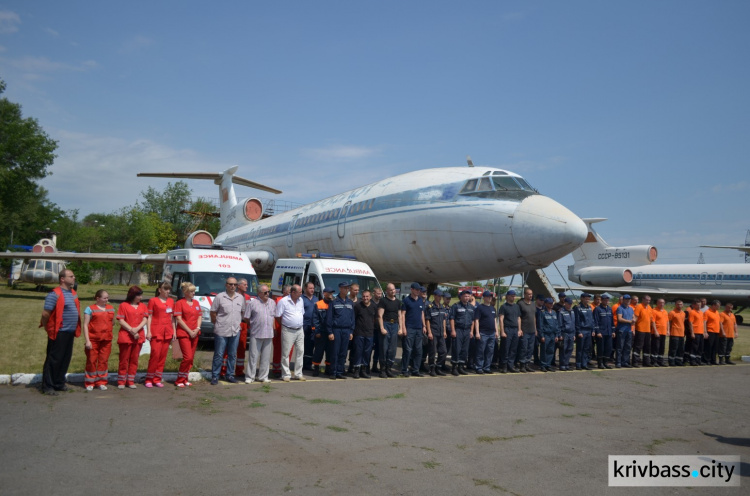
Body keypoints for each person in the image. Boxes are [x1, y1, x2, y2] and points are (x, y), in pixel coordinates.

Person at [40, 269, 81, 395]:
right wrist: (47, 327)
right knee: (54, 359)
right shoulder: (54, 294)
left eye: (73, 276)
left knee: (65, 358)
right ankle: (48, 386)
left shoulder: (73, 293)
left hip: (70, 331)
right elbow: (45, 313)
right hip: (59, 332)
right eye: (71, 276)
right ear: (62, 279)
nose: (74, 278)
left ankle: (59, 382)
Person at [209, 277, 246, 385]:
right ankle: (215, 376)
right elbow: (213, 312)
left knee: (232, 354)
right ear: (226, 285)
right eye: (230, 284)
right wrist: (217, 323)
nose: (232, 286)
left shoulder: (240, 298)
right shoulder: (220, 297)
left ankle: (229, 375)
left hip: (235, 330)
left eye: (234, 284)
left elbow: (243, 312)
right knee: (219, 354)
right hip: (221, 330)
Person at [116, 285, 148, 389]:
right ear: (133, 295)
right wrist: (131, 330)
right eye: (139, 295)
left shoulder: (143, 306)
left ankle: (130, 380)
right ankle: (121, 381)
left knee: (134, 359)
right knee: (124, 359)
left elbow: (145, 319)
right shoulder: (123, 305)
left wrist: (137, 329)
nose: (141, 298)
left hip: (138, 336)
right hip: (126, 336)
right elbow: (121, 320)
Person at [82, 289, 114, 391]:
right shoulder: (90, 309)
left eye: (107, 298)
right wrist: (88, 341)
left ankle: (101, 382)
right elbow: (85, 325)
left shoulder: (111, 309)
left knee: (103, 361)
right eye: (104, 298)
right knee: (91, 360)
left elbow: (112, 322)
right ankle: (89, 382)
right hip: (93, 339)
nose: (106, 300)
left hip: (106, 339)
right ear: (98, 298)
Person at [145, 281, 176, 388]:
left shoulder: (171, 301)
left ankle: (157, 378)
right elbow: (149, 316)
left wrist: (174, 331)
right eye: (165, 289)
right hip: (156, 330)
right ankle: (149, 378)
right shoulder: (153, 301)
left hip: (167, 331)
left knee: (162, 356)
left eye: (169, 289)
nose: (168, 291)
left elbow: (172, 318)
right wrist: (148, 331)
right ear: (159, 290)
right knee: (155, 355)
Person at [244, 284, 276, 384]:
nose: (267, 294)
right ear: (259, 293)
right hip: (256, 333)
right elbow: (246, 317)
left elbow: (273, 317)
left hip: (268, 333)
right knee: (253, 356)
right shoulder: (252, 303)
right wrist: (254, 325)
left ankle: (263, 376)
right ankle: (250, 377)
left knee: (266, 357)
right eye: (265, 292)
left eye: (268, 292)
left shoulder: (272, 302)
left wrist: (273, 328)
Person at [276, 284, 306, 382]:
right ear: (293, 292)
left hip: (299, 330)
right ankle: (286, 374)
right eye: (300, 292)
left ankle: (298, 374)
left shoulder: (301, 300)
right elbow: (277, 316)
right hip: (288, 330)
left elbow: (302, 313)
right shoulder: (283, 301)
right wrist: (285, 325)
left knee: (300, 351)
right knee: (286, 352)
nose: (301, 294)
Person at [174, 282, 202, 387]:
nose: (193, 293)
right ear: (185, 292)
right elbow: (179, 319)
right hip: (184, 333)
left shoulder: (196, 303)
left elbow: (199, 316)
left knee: (191, 358)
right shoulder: (180, 303)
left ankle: (185, 378)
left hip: (195, 333)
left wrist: (197, 328)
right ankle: (179, 379)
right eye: (191, 291)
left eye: (194, 291)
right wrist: (189, 331)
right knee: (187, 357)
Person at [327, 282, 355, 379]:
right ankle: (333, 372)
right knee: (335, 352)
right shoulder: (334, 302)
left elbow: (352, 318)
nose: (347, 290)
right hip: (336, 330)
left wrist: (351, 331)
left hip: (346, 330)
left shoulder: (350, 302)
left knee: (343, 352)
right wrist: (330, 332)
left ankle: (339, 371)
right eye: (345, 288)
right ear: (340, 289)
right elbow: (329, 318)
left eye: (348, 288)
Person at [400, 282, 427, 377]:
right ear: (411, 289)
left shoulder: (420, 300)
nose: (418, 291)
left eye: (419, 290)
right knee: (408, 350)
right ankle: (404, 369)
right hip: (409, 328)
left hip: (419, 328)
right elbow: (402, 315)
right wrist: (403, 328)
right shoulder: (406, 300)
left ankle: (416, 369)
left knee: (419, 350)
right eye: (416, 289)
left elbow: (422, 314)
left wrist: (424, 326)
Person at [377, 283, 403, 378]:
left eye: (394, 289)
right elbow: (380, 315)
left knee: (392, 349)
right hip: (386, 324)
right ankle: (382, 370)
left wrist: (400, 328)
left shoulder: (398, 302)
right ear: (387, 291)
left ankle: (389, 369)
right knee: (384, 348)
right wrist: (382, 328)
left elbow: (400, 316)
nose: (393, 291)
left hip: (395, 325)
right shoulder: (383, 301)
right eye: (391, 290)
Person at [449, 289, 475, 376]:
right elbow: (452, 318)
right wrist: (453, 330)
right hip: (458, 329)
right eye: (465, 296)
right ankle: (454, 368)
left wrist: (471, 331)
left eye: (468, 296)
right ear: (461, 297)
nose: (467, 298)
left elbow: (473, 320)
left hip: (467, 330)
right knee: (457, 348)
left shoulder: (471, 307)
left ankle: (461, 367)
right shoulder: (456, 306)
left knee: (464, 349)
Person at [473, 290, 499, 374]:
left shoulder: (492, 308)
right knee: (481, 350)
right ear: (484, 298)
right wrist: (477, 332)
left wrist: (496, 331)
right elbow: (476, 320)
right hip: (483, 332)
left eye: (491, 297)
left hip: (492, 333)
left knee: (490, 351)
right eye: (488, 297)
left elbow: (494, 320)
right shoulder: (480, 308)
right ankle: (479, 367)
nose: (490, 298)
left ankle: (487, 367)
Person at [352, 290, 376, 378]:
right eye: (364, 296)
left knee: (367, 352)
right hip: (359, 333)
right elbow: (353, 319)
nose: (365, 298)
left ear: (370, 297)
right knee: (358, 352)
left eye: (367, 296)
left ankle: (364, 370)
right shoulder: (358, 306)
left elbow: (376, 319)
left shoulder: (374, 307)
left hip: (369, 333)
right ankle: (356, 370)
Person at [312, 287, 335, 377]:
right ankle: (316, 368)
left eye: (332, 293)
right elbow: (315, 319)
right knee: (319, 351)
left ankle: (328, 368)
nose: (330, 295)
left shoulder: (334, 303)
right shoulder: (318, 304)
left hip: (330, 332)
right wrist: (316, 331)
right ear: (324, 293)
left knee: (330, 351)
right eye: (329, 293)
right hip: (321, 332)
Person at [498, 290, 522, 373]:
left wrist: (519, 329)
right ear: (507, 296)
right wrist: (502, 331)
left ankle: (510, 365)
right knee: (505, 348)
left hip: (515, 329)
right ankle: (503, 365)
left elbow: (519, 318)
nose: (513, 297)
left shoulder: (516, 306)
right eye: (512, 296)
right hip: (507, 329)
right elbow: (501, 319)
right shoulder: (504, 306)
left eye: (514, 295)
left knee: (513, 349)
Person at [425, 290, 447, 376]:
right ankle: (432, 368)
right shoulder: (430, 307)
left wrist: (445, 331)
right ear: (434, 296)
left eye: (441, 296)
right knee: (433, 351)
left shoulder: (442, 307)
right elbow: (427, 320)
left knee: (443, 351)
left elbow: (444, 320)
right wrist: (429, 332)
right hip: (433, 332)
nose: (440, 297)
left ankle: (438, 367)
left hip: (441, 332)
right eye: (438, 296)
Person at [271, 285, 291, 378]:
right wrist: (274, 328)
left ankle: (285, 368)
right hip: (279, 328)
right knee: (278, 349)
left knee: (288, 350)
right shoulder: (277, 300)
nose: (291, 293)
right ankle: (276, 369)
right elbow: (273, 316)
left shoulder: (293, 301)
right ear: (284, 292)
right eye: (290, 292)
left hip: (289, 329)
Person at [517, 288, 537, 372]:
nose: (530, 295)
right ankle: (522, 365)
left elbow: (534, 317)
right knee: (523, 348)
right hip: (524, 330)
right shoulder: (520, 304)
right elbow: (519, 317)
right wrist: (519, 329)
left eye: (531, 294)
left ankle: (527, 364)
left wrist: (535, 329)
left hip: (532, 330)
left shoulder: (533, 304)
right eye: (529, 294)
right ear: (525, 294)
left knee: (530, 348)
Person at [574, 293, 595, 370]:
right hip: (582, 330)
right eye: (586, 298)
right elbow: (577, 321)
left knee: (586, 348)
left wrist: (593, 330)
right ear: (582, 298)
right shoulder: (577, 308)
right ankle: (578, 364)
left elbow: (592, 320)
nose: (587, 300)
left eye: (589, 299)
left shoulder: (589, 307)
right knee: (580, 348)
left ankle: (584, 363)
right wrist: (578, 331)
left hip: (589, 330)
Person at [537, 297, 559, 372]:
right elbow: (540, 325)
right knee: (544, 351)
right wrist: (541, 336)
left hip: (552, 334)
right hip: (546, 334)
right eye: (549, 303)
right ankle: (543, 365)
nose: (551, 304)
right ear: (546, 304)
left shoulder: (554, 312)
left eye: (552, 303)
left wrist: (556, 335)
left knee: (551, 351)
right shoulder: (542, 312)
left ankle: (548, 365)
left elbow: (556, 324)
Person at [593, 293, 614, 369]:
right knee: (601, 348)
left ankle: (606, 362)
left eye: (607, 300)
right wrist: (597, 332)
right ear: (601, 300)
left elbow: (612, 321)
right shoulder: (597, 309)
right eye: (605, 300)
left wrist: (613, 331)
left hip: (608, 332)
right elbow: (596, 321)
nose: (606, 301)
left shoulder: (609, 309)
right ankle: (600, 363)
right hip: (601, 333)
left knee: (608, 348)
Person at [632, 295, 654, 367]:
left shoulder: (650, 307)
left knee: (647, 346)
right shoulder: (639, 306)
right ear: (643, 299)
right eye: (646, 300)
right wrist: (633, 328)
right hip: (640, 329)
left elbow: (651, 319)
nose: (648, 302)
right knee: (638, 346)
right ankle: (635, 361)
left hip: (647, 330)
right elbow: (635, 318)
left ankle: (646, 362)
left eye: (649, 300)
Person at [301, 282, 318, 372]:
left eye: (313, 288)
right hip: (304, 325)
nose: (312, 290)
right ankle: (301, 364)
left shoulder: (316, 299)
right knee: (303, 346)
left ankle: (308, 364)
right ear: (305, 289)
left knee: (311, 345)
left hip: (313, 326)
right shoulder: (301, 299)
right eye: (310, 288)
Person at [557, 297, 576, 371]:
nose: (570, 305)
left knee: (570, 349)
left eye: (571, 304)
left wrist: (574, 334)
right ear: (565, 303)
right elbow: (559, 324)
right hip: (564, 333)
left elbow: (574, 323)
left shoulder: (572, 311)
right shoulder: (561, 312)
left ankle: (566, 363)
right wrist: (560, 334)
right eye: (568, 304)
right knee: (563, 349)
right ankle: (562, 364)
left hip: (571, 333)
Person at [703, 300, 722, 365]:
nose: (718, 307)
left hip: (716, 331)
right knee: (709, 346)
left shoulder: (717, 312)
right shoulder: (707, 312)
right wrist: (705, 331)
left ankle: (713, 360)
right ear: (713, 305)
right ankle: (707, 359)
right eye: (717, 306)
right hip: (710, 331)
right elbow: (704, 322)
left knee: (715, 347)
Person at [667, 300, 686, 366]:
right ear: (675, 305)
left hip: (681, 334)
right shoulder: (672, 313)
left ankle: (679, 361)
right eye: (678, 304)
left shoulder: (683, 313)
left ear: (682, 305)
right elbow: (669, 322)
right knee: (673, 348)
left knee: (680, 348)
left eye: (681, 304)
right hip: (674, 333)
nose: (679, 306)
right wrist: (668, 330)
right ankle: (671, 361)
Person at [686, 300, 705, 366]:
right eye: (698, 305)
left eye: (700, 305)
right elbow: (690, 323)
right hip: (695, 332)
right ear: (694, 305)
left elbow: (703, 323)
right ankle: (692, 360)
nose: (699, 306)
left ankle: (698, 360)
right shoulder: (692, 312)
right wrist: (692, 333)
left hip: (701, 332)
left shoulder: (701, 312)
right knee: (694, 347)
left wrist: (704, 332)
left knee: (700, 347)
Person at [370, 286, 384, 373]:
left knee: (378, 348)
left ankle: (375, 365)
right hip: (371, 329)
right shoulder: (370, 303)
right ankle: (366, 365)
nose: (379, 295)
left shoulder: (382, 303)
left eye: (380, 294)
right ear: (373, 293)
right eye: (378, 294)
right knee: (369, 348)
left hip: (379, 329)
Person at [651, 298, 668, 367]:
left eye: (663, 303)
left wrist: (668, 330)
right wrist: (655, 331)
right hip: (657, 332)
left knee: (662, 347)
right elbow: (653, 322)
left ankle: (660, 361)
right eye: (660, 303)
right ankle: (654, 361)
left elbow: (667, 322)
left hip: (663, 332)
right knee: (655, 347)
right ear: (657, 303)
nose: (661, 304)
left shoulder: (665, 311)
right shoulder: (654, 311)